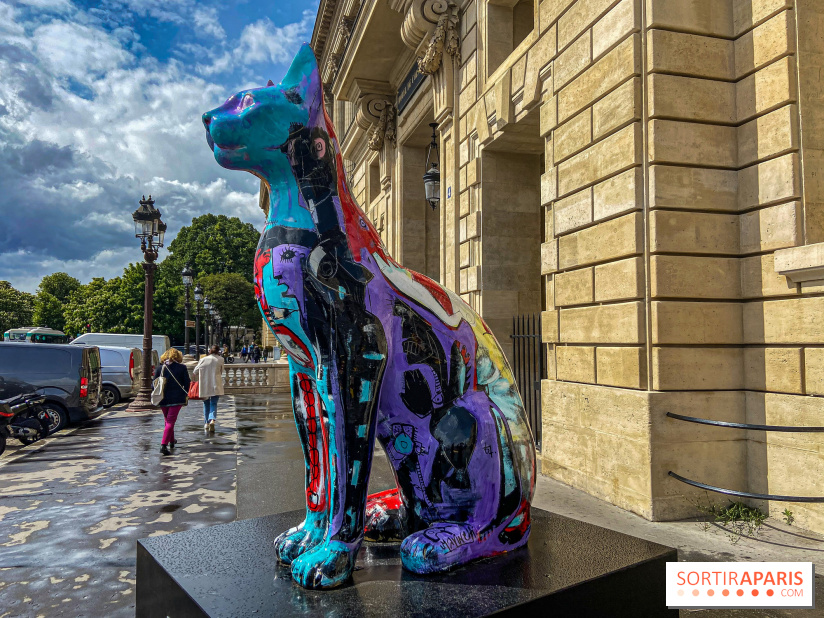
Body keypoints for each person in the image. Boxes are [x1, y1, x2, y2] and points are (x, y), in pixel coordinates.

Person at [153, 347, 191, 456]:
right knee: (170, 422)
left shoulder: (160, 368)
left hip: (162, 398)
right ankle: (163, 445)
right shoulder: (181, 367)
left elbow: (154, 383)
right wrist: (185, 393)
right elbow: (187, 383)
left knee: (167, 420)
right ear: (177, 356)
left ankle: (171, 440)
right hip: (177, 398)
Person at [193, 344, 225, 433]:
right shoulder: (220, 359)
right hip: (216, 384)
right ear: (218, 351)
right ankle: (212, 419)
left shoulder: (203, 359)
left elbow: (195, 371)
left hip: (205, 384)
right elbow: (221, 371)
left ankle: (206, 423)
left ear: (210, 350)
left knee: (206, 403)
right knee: (213, 403)